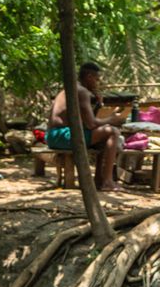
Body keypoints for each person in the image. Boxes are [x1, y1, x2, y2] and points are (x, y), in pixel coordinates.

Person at [46, 61, 125, 191]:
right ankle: (108, 182)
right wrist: (111, 119)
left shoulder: (72, 88)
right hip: (61, 136)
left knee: (104, 138)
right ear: (89, 77)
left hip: (54, 136)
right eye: (96, 79)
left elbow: (86, 122)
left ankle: (99, 179)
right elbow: (91, 123)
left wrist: (98, 105)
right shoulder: (81, 91)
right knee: (113, 132)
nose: (97, 83)